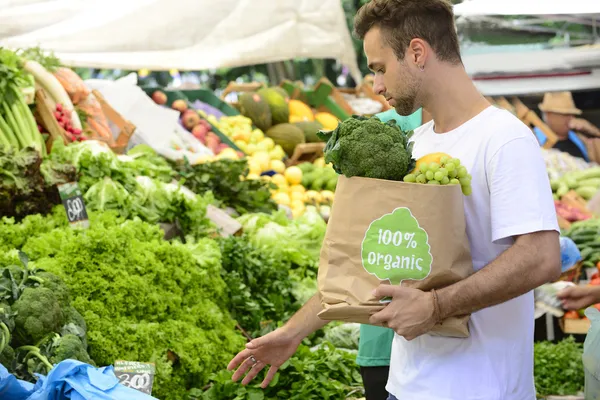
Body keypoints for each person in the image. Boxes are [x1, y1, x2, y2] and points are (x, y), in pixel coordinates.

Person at [227, 1, 562, 399]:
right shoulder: (414, 143)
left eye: (380, 68)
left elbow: (541, 255)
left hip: (481, 388)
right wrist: (293, 331)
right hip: (405, 386)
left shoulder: (503, 139)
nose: (377, 86)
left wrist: (436, 305)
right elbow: (374, 265)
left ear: (417, 53)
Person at [357, 107, 424, 400]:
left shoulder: (466, 131)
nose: (378, 85)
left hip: (431, 334)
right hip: (381, 333)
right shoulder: (384, 126)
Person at [534, 91, 600, 162]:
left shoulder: (578, 136)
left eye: (572, 114)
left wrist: (592, 130)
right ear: (548, 115)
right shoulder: (534, 138)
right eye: (565, 114)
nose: (571, 118)